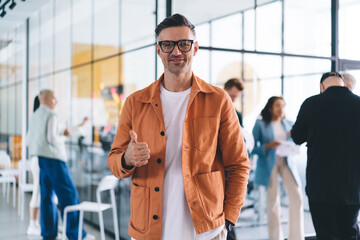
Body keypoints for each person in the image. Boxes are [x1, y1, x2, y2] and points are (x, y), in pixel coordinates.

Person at [108, 14, 250, 240]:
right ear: (158, 50)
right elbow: (114, 161)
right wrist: (126, 158)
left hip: (206, 231)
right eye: (167, 45)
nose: (176, 52)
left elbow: (238, 165)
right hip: (148, 230)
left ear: (195, 49)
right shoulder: (135, 103)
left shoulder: (219, 100)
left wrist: (228, 221)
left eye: (184, 44)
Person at [291, 72, 360, 240]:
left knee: (325, 235)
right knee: (349, 233)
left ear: (322, 86)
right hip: (352, 186)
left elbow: (297, 137)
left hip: (320, 186)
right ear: (344, 84)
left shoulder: (311, 104)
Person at [27, 89, 94, 240]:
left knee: (47, 197)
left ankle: (49, 234)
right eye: (53, 98)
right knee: (69, 195)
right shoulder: (51, 115)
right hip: (55, 160)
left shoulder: (35, 116)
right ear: (44, 98)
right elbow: (52, 139)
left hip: (41, 159)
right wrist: (64, 138)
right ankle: (76, 234)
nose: (55, 101)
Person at [252, 96, 304, 240]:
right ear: (270, 108)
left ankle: (296, 237)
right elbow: (252, 148)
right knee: (273, 200)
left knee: (297, 196)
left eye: (283, 106)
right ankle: (276, 237)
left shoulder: (288, 124)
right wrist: (268, 146)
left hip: (286, 162)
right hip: (269, 163)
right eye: (277, 106)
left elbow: (296, 140)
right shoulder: (260, 124)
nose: (281, 109)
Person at [27, 95, 41, 236]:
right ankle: (32, 224)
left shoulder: (36, 118)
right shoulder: (37, 119)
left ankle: (35, 223)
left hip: (37, 160)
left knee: (40, 191)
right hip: (37, 160)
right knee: (37, 190)